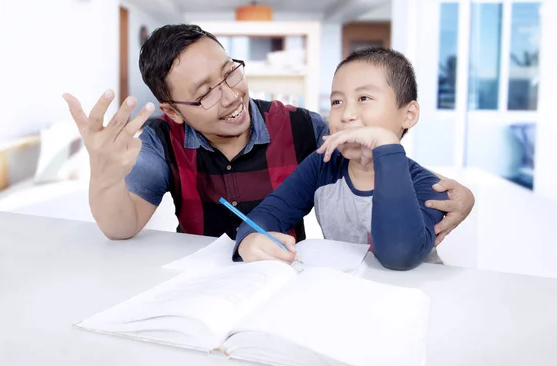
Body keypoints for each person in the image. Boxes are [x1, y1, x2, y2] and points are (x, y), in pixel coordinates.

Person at [62, 24, 474, 245]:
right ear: (173, 111)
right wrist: (104, 173)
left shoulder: (301, 126)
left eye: (230, 73)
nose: (230, 96)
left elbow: (373, 150)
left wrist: (459, 195)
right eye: (205, 93)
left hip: (284, 273)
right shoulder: (159, 137)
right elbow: (120, 227)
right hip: (197, 277)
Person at [235, 48, 456, 270]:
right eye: (337, 102)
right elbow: (269, 213)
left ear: (408, 115)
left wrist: (386, 145)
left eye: (364, 98)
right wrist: (250, 238)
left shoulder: (429, 186)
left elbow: (398, 256)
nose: (346, 114)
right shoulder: (322, 165)